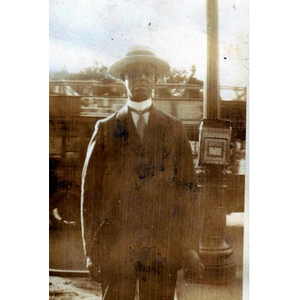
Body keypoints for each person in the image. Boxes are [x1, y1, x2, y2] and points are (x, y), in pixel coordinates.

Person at [81, 45, 201, 299]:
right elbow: (89, 196)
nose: (141, 79)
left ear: (156, 79)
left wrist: (189, 246)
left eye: (148, 73)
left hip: (162, 244)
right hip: (117, 245)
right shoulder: (105, 129)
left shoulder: (175, 129)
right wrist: (91, 250)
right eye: (134, 74)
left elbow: (188, 191)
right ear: (123, 80)